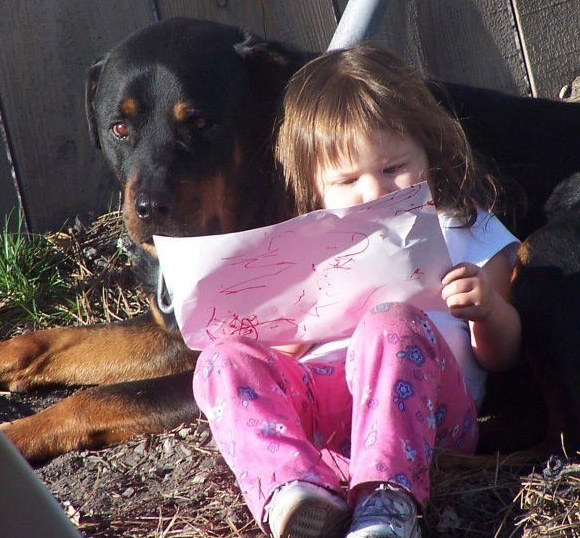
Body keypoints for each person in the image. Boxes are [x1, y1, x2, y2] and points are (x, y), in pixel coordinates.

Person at [192, 45, 521, 538]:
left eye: (393, 168)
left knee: (391, 322)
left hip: (430, 421)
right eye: (347, 180)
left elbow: (503, 356)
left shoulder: (467, 230)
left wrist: (487, 311)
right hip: (328, 419)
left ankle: (386, 503)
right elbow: (286, 355)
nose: (375, 192)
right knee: (220, 359)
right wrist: (281, 331)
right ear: (316, 188)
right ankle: (292, 487)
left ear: (427, 151)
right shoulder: (310, 248)